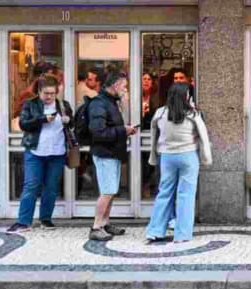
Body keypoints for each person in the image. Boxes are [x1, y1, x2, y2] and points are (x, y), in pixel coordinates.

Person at [146, 83, 212, 244]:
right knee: (186, 195)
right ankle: (182, 234)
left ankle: (155, 230)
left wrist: (153, 155)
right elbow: (203, 136)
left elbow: (154, 134)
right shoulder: (193, 114)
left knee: (164, 192)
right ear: (186, 96)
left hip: (167, 157)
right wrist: (206, 158)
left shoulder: (160, 113)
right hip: (188, 156)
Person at [8, 76, 72, 232]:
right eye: (45, 93)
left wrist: (69, 120)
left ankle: (46, 219)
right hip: (35, 151)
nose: (49, 97)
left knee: (51, 187)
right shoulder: (30, 104)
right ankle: (24, 221)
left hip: (57, 152)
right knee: (31, 185)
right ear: (38, 91)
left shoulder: (63, 105)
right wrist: (42, 119)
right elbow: (24, 124)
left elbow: (73, 124)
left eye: (52, 93)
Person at [87, 70, 138, 242]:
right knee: (107, 191)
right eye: (124, 86)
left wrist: (125, 130)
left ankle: (105, 223)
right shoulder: (98, 104)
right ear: (115, 85)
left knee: (111, 191)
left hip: (112, 153)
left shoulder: (111, 102)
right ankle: (96, 227)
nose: (125, 89)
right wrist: (122, 130)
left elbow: (110, 128)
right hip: (105, 154)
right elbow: (98, 132)